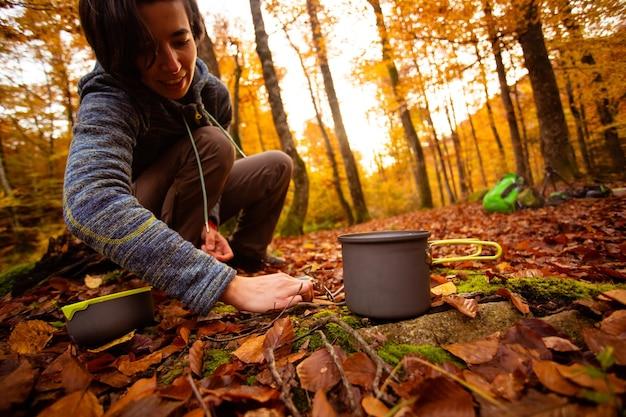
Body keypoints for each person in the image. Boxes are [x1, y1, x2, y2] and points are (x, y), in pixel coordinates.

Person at [64, 0, 313, 315]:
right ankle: (180, 271)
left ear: (195, 32)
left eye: (180, 41)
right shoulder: (109, 98)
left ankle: (247, 257)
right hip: (142, 209)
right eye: (145, 49)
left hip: (190, 192)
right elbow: (89, 200)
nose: (172, 65)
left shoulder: (213, 96)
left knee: (276, 164)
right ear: (120, 52)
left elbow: (214, 175)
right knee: (215, 143)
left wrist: (210, 223)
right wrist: (223, 285)